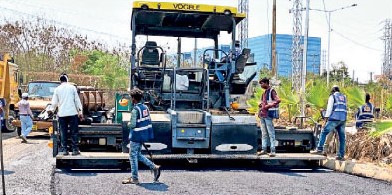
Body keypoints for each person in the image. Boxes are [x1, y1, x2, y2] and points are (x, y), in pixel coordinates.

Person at [122, 88, 161, 184]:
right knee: (137, 155)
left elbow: (133, 124)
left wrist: (128, 124)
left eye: (131, 98)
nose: (131, 100)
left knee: (132, 156)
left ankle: (135, 178)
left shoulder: (135, 110)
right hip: (143, 134)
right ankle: (154, 167)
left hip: (136, 136)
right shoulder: (145, 108)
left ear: (134, 99)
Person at [49, 74, 83, 156]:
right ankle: (75, 150)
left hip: (62, 114)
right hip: (72, 113)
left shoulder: (57, 89)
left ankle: (65, 150)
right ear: (67, 80)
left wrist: (51, 110)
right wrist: (80, 112)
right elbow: (77, 101)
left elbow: (54, 102)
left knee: (63, 132)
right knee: (74, 132)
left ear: (60, 81)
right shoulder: (72, 88)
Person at [311, 85, 347, 160]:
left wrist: (326, 119)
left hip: (334, 118)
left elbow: (329, 108)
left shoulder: (332, 96)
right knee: (342, 138)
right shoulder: (344, 97)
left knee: (324, 132)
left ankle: (319, 149)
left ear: (333, 91)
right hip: (343, 119)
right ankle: (341, 155)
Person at [256, 77, 280, 157]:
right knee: (264, 133)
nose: (261, 85)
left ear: (266, 83)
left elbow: (278, 100)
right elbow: (263, 102)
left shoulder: (271, 91)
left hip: (268, 115)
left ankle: (273, 150)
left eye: (262, 83)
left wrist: (268, 106)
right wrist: (261, 105)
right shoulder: (264, 93)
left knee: (271, 133)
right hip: (263, 115)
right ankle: (264, 149)